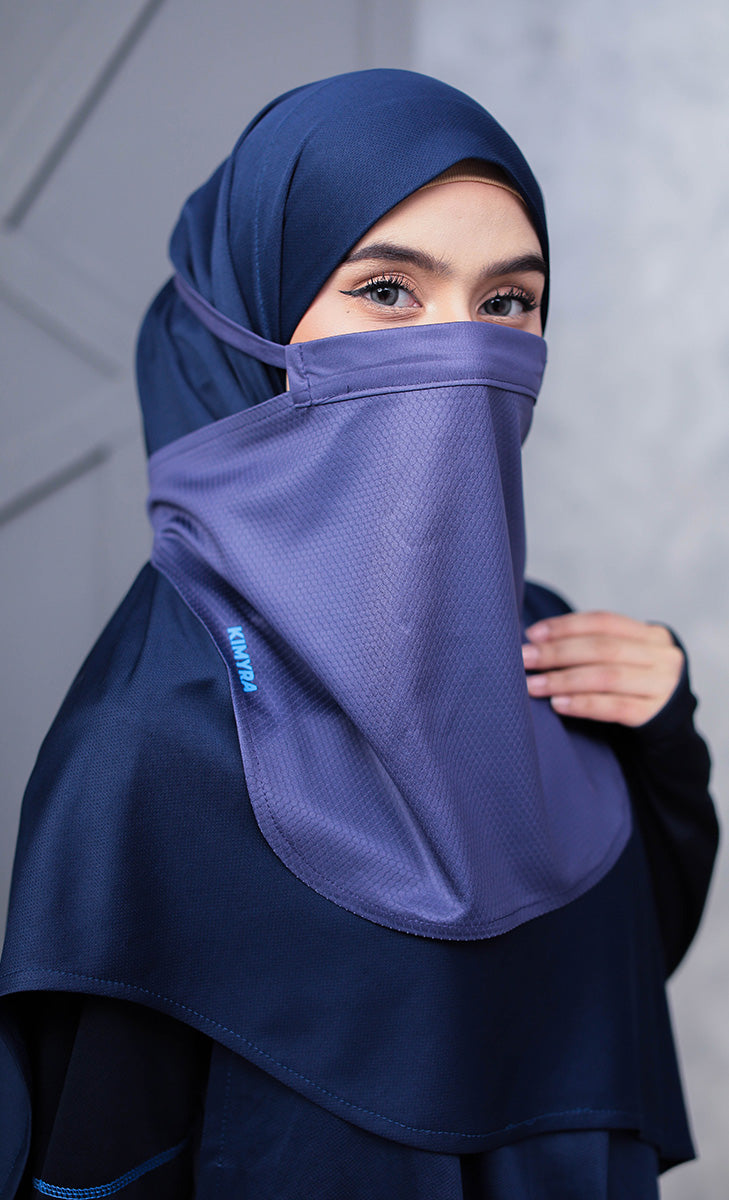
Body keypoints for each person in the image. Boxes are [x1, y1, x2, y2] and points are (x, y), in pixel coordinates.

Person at [0, 69, 717, 1200]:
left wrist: (664, 748)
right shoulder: (147, 752)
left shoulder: (550, 660)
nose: (462, 352)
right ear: (248, 327)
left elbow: (611, 987)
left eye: (508, 302)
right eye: (388, 290)